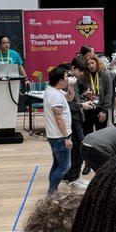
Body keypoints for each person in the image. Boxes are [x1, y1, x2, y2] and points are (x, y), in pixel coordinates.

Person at [42, 64, 72, 194]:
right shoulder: (55, 96)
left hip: (55, 135)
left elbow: (70, 98)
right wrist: (66, 137)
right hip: (59, 137)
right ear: (60, 80)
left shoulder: (53, 90)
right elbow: (59, 118)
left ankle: (52, 190)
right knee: (65, 166)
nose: (68, 78)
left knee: (57, 164)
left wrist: (71, 85)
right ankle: (52, 192)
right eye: (66, 76)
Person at [81, 53, 113, 150]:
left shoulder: (106, 75)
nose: (91, 66)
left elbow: (109, 93)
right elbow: (79, 94)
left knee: (102, 134)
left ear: (97, 62)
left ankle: (102, 152)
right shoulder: (84, 77)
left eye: (92, 63)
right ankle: (89, 153)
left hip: (101, 109)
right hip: (88, 108)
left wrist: (104, 110)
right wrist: (84, 94)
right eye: (88, 64)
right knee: (87, 133)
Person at [64, 56, 87, 183]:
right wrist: (81, 105)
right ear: (73, 68)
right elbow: (68, 104)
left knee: (78, 148)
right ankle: (73, 177)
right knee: (78, 148)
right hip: (72, 119)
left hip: (78, 117)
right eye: (80, 71)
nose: (82, 74)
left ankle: (74, 175)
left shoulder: (74, 80)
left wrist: (83, 99)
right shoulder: (67, 81)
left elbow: (75, 99)